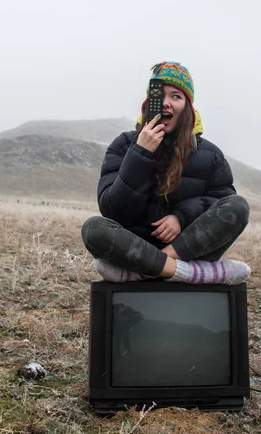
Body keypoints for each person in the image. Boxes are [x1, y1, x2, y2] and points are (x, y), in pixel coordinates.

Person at [81, 61, 251, 284]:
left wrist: (182, 217)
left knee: (238, 206)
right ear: (147, 102)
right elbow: (113, 212)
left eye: (176, 96)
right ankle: (192, 273)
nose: (166, 103)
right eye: (159, 95)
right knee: (93, 228)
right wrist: (140, 153)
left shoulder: (210, 154)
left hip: (188, 249)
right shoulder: (124, 146)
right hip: (133, 249)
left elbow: (222, 202)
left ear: (188, 108)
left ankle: (146, 271)